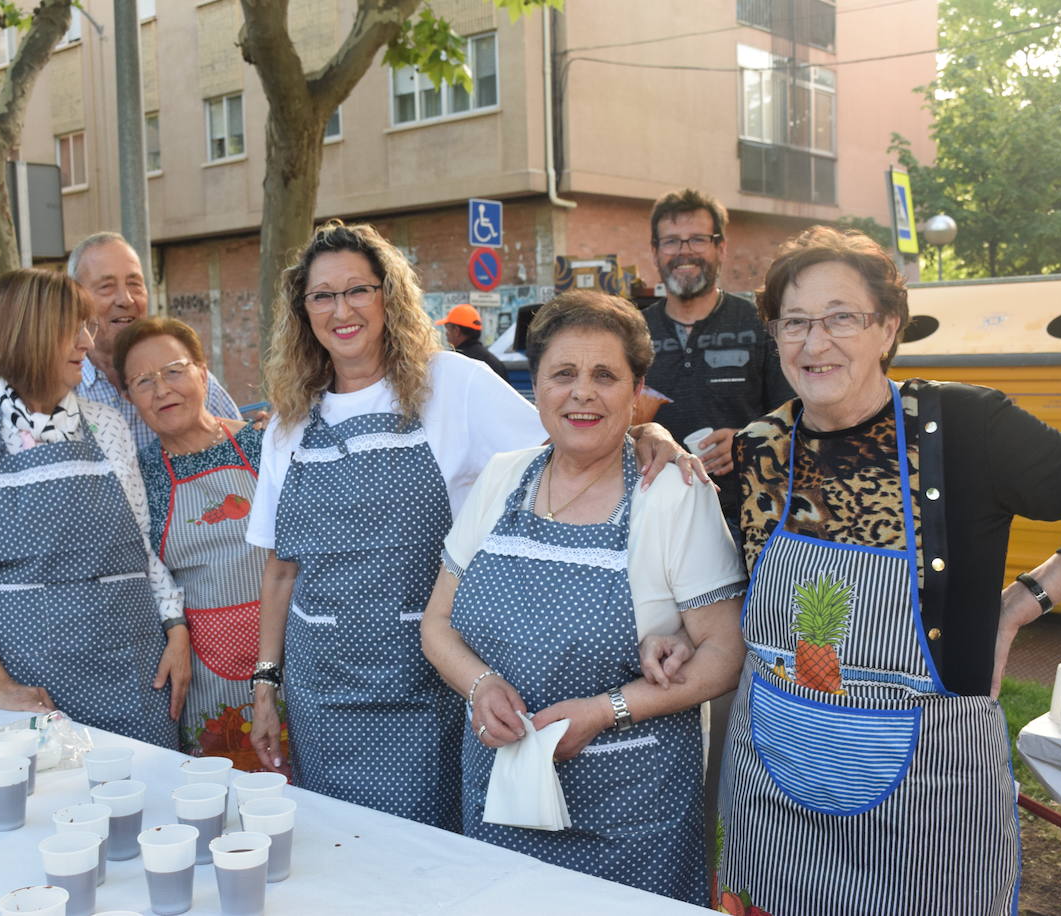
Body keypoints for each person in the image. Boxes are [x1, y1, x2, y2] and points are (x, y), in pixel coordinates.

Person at [642, 226, 1061, 915]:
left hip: (928, 800)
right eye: (795, 322)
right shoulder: (759, 449)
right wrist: (683, 632)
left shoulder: (967, 430)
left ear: (888, 327)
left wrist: (1019, 605)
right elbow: (732, 586)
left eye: (842, 317)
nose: (816, 343)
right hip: (775, 791)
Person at [244, 220, 681, 830]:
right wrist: (266, 680)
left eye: (358, 290)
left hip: (428, 689)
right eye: (323, 295)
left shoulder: (454, 384)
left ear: (388, 296)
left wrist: (647, 432)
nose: (341, 309)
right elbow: (281, 567)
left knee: (427, 860)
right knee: (341, 855)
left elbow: (569, 437)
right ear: (304, 310)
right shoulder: (288, 425)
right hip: (322, 695)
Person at [420, 291, 747, 902]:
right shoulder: (501, 478)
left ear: (636, 389)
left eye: (605, 375)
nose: (582, 393)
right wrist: (480, 685)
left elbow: (723, 653)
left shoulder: (671, 493)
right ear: (535, 385)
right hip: (502, 802)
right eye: (562, 374)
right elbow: (438, 624)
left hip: (631, 820)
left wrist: (604, 711)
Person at [0, 269, 189, 749]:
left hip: (136, 673)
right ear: (26, 334)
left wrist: (174, 627)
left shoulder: (108, 426)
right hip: (28, 682)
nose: (87, 342)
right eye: (73, 329)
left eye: (87, 327)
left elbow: (141, 548)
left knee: (150, 812)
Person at [113, 316, 281, 762]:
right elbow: (144, 575)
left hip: (285, 653)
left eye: (173, 370)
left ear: (203, 373)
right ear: (130, 399)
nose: (162, 389)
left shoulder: (265, 447)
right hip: (202, 670)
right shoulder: (139, 476)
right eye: (144, 381)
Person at [0, 232, 242, 450]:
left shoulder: (185, 376)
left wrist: (264, 432)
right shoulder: (50, 388)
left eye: (135, 284)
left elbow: (241, 448)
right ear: (76, 301)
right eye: (106, 287)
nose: (126, 299)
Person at [641, 188, 793, 528]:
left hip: (747, 518)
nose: (684, 252)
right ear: (655, 251)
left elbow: (797, 415)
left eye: (697, 239)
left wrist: (748, 440)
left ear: (720, 247)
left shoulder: (760, 324)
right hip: (655, 517)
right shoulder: (634, 331)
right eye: (671, 241)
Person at [436, 303, 509, 380]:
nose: (446, 333)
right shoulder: (495, 363)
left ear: (457, 331)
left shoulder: (453, 360)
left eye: (447, 328)